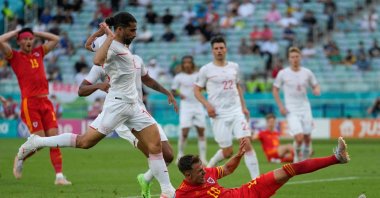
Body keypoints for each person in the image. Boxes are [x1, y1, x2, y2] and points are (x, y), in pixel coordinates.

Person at [17, 12, 176, 197]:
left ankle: (167, 191)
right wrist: (108, 36)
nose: (134, 34)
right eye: (131, 30)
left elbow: (88, 45)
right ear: (120, 30)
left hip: (134, 105)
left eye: (136, 30)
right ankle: (37, 141)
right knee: (85, 142)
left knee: (155, 145)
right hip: (117, 105)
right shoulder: (115, 47)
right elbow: (97, 60)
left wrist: (101, 34)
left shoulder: (116, 44)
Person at [82, 29, 177, 197]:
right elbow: (82, 89)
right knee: (155, 154)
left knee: (168, 155)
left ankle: (146, 179)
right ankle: (167, 191)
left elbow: (147, 80)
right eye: (130, 30)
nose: (132, 34)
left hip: (140, 112)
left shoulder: (135, 59)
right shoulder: (102, 65)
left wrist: (166, 92)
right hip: (123, 118)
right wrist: (98, 86)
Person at [0, 28, 71, 185]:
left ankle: (59, 176)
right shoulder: (15, 56)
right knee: (39, 142)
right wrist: (16, 31)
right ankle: (20, 157)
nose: (28, 42)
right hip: (30, 103)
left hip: (45, 101)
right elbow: (0, 41)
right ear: (19, 41)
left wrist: (37, 33)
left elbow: (56, 38)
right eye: (25, 39)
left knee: (54, 139)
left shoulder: (39, 52)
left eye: (31, 39)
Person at [175, 137, 350, 197]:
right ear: (188, 175)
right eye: (199, 171)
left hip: (247, 192)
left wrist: (238, 156)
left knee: (288, 169)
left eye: (203, 169)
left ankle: (336, 158)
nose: (205, 172)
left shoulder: (208, 173)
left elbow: (227, 169)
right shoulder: (183, 193)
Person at [194, 36, 260, 179]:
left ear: (226, 49)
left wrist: (244, 107)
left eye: (221, 48)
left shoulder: (234, 67)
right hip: (218, 115)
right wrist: (207, 105)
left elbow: (237, 86)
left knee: (246, 143)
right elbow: (196, 90)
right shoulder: (206, 70)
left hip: (236, 111)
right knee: (227, 151)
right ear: (212, 51)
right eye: (216, 48)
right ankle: (209, 167)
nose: (219, 51)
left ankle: (256, 181)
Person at [273, 47, 320, 163]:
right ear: (289, 59)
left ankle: (305, 160)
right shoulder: (283, 73)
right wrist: (281, 106)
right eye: (292, 57)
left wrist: (316, 90)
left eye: (297, 57)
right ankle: (297, 158)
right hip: (291, 109)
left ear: (300, 57)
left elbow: (315, 85)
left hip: (305, 107)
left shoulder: (307, 72)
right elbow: (275, 90)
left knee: (307, 137)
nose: (295, 59)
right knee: (299, 137)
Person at [171, 55, 207, 164]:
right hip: (186, 106)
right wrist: (179, 94)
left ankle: (203, 158)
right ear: (182, 64)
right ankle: (180, 154)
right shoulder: (179, 77)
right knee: (184, 131)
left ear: (192, 64)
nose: (187, 65)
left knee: (201, 131)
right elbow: (173, 90)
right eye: (185, 63)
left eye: (189, 62)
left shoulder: (198, 75)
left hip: (198, 105)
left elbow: (204, 87)